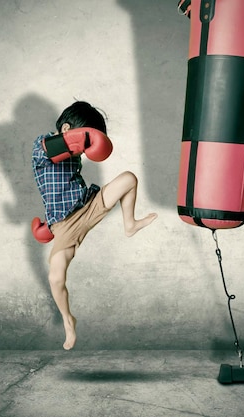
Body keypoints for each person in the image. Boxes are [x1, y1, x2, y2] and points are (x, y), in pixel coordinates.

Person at [31, 101, 157, 350]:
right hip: (65, 226)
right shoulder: (41, 147)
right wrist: (84, 139)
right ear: (67, 128)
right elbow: (51, 149)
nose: (82, 154)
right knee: (56, 277)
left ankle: (129, 224)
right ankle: (68, 320)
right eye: (82, 146)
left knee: (129, 178)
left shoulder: (74, 153)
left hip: (88, 206)